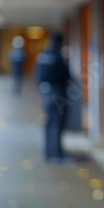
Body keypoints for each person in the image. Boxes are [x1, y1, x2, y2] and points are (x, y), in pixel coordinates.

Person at [35, 32, 71, 161]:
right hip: (58, 93)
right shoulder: (57, 57)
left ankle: (47, 152)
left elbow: (37, 75)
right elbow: (66, 76)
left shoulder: (42, 56)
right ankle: (56, 153)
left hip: (46, 94)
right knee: (57, 123)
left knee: (48, 123)